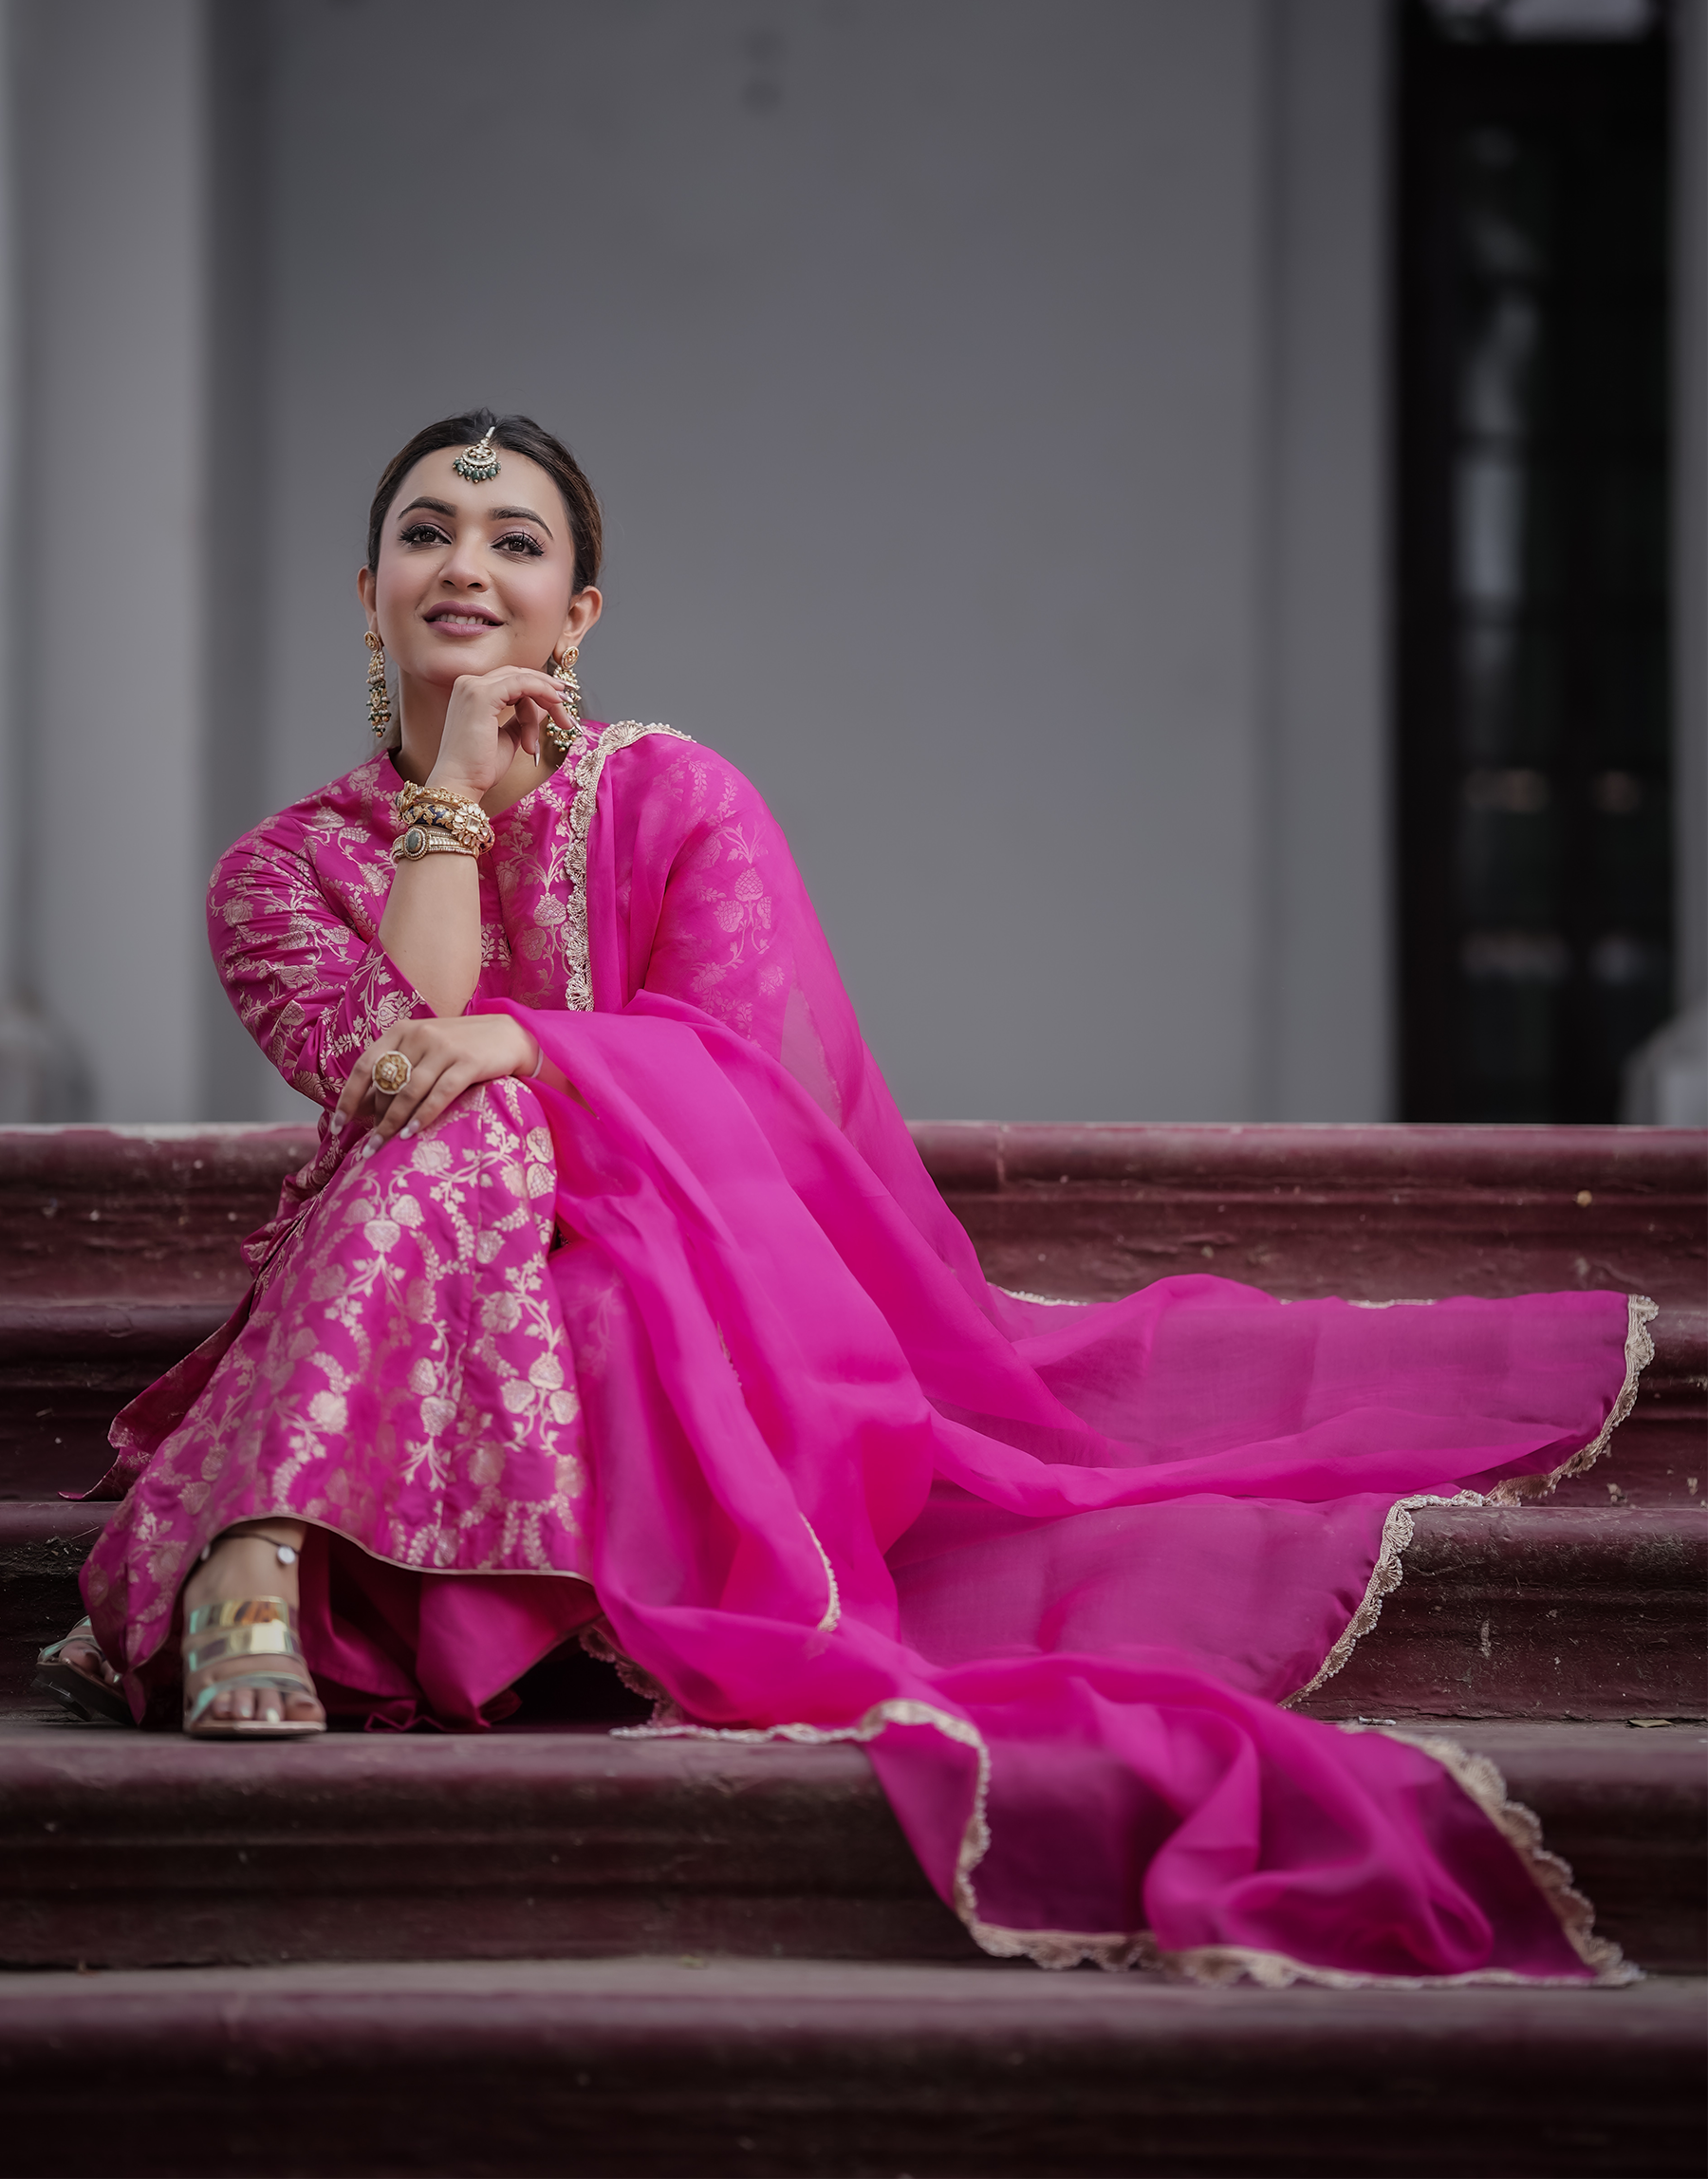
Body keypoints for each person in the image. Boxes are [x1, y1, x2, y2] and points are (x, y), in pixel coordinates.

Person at [36, 411, 1653, 1986]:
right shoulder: (281, 868)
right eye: (427, 533)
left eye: (514, 541)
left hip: (674, 1287)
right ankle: (267, 1540)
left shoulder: (677, 802)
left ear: (578, 611)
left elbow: (760, 1116)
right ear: (366, 587)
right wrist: (454, 800)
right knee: (450, 1111)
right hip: (403, 1302)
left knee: (500, 1109)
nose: (467, 564)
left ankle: (256, 1544)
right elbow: (385, 1056)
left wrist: (528, 1049)